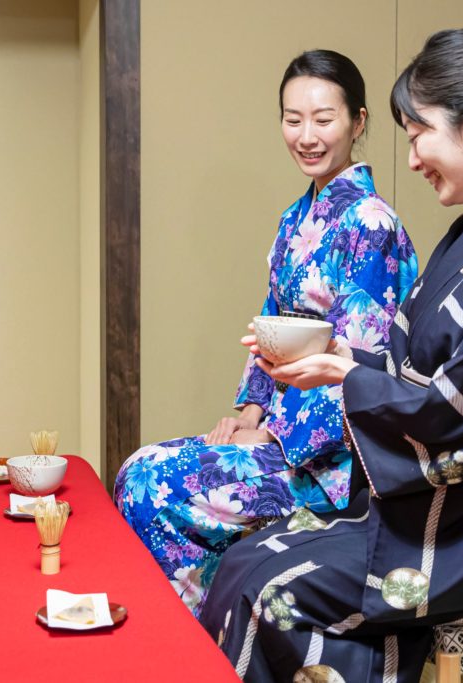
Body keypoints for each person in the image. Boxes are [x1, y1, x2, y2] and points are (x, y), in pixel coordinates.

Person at [199, 26, 463, 682]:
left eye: (419, 133)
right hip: (436, 510)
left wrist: (347, 378)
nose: (414, 157)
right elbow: (414, 370)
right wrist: (344, 360)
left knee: (270, 592)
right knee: (243, 563)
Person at [113, 50, 418, 618]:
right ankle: (199, 633)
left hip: (332, 463)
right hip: (281, 432)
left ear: (359, 120)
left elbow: (358, 363)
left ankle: (190, 644)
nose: (306, 135)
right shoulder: (293, 219)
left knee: (155, 486)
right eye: (292, 118)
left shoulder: (371, 225)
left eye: (323, 119)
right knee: (137, 467)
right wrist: (250, 414)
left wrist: (279, 441)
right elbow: (270, 321)